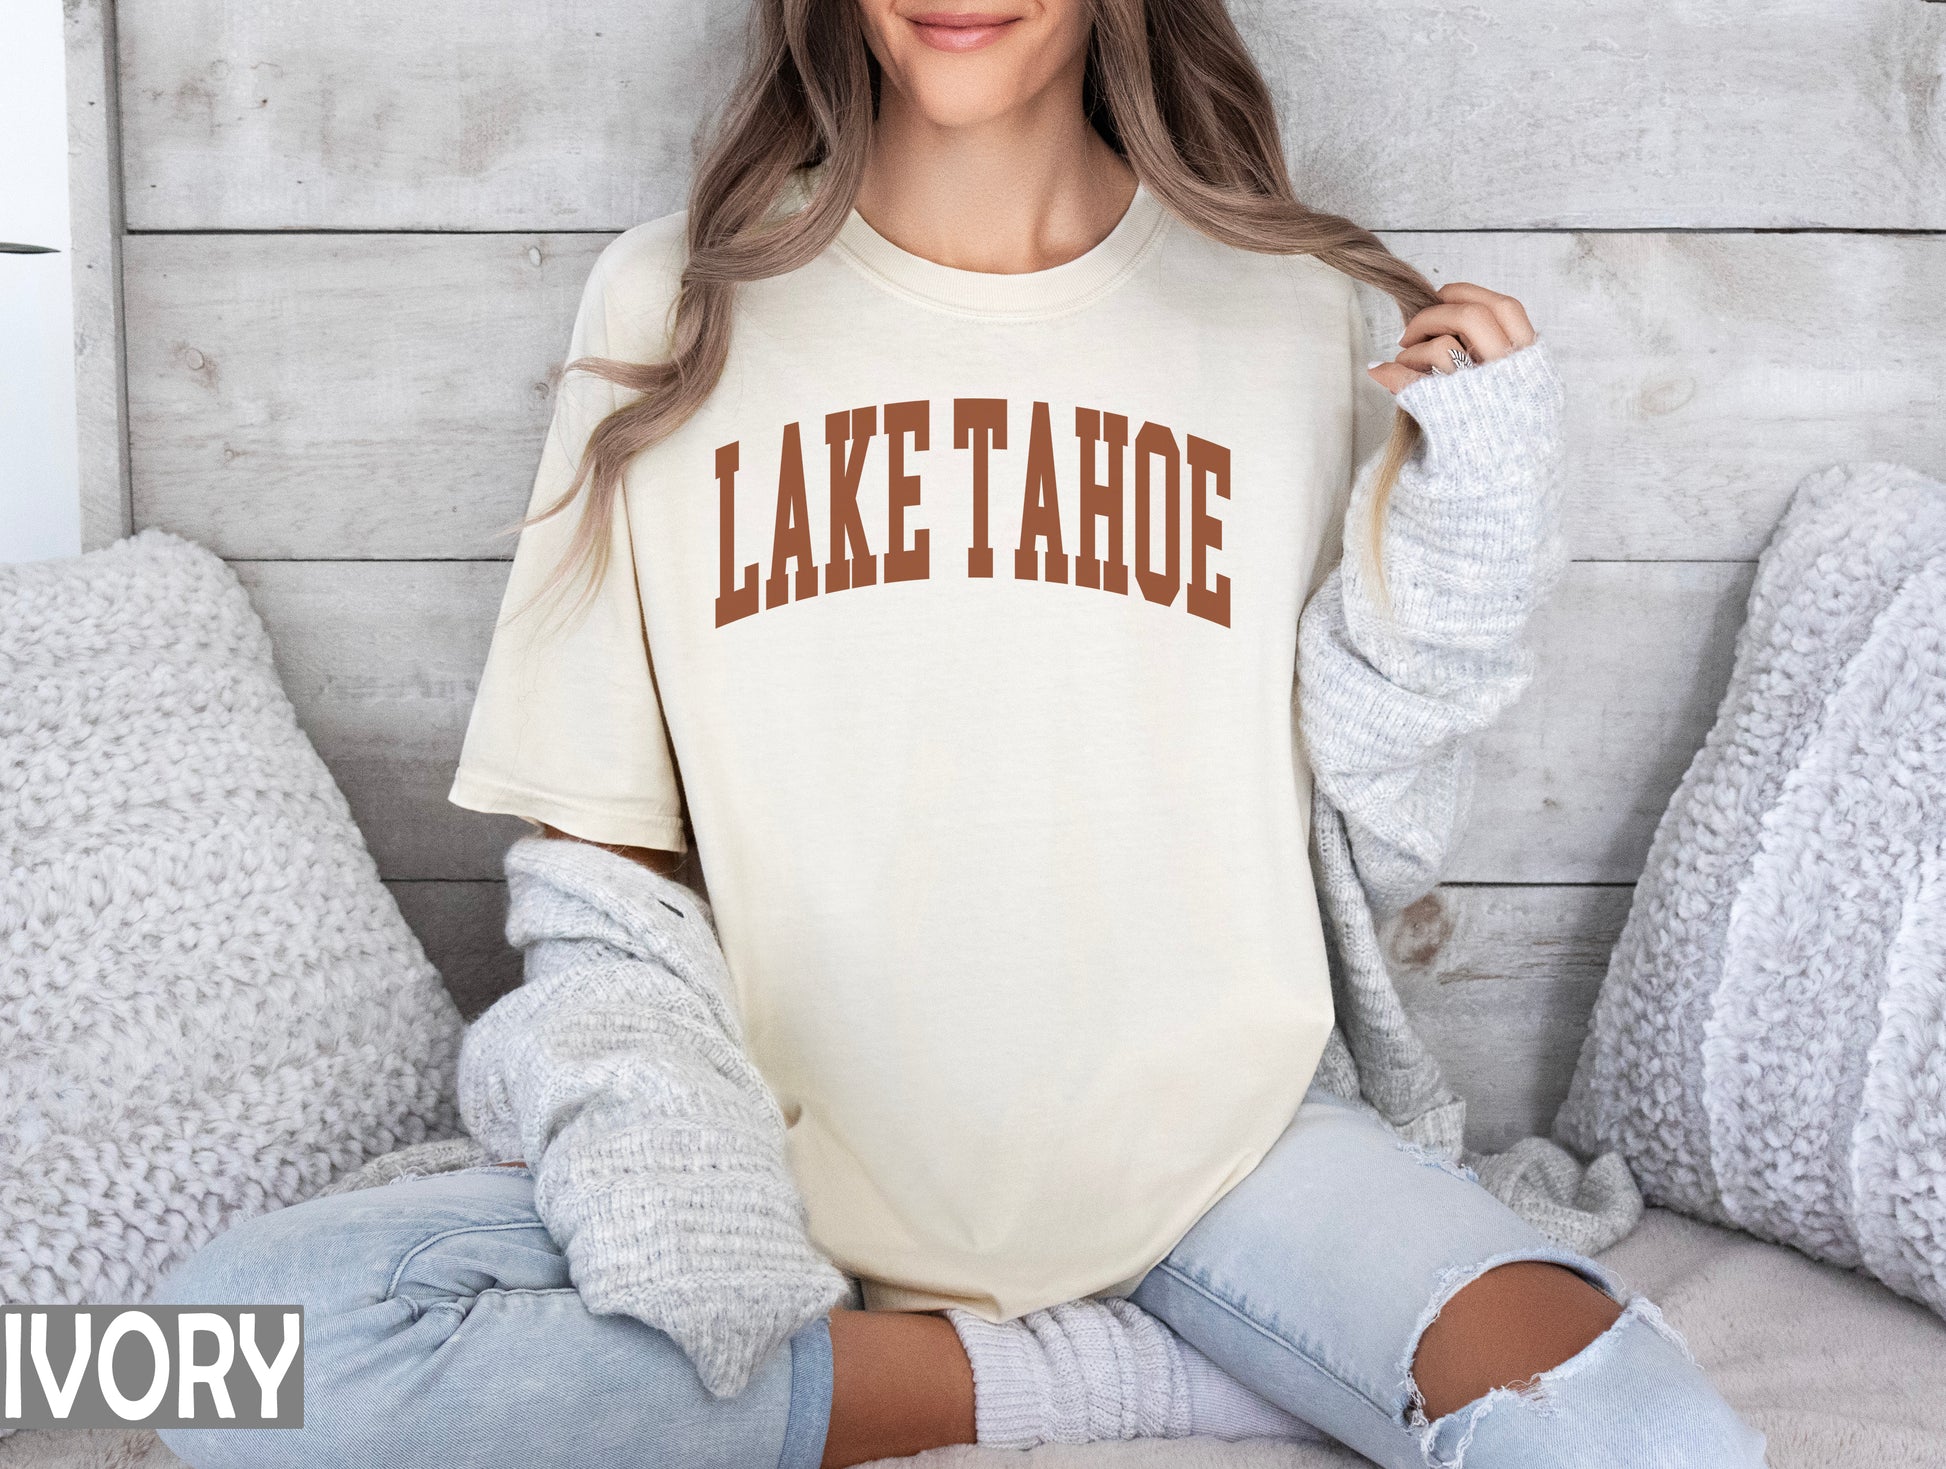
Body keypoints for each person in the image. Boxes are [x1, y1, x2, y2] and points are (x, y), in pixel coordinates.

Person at [155, 3, 1771, 1466]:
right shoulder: (674, 301)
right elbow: (598, 848)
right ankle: (1106, 1372)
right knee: (172, 1366)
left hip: (1224, 1164)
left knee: (1644, 1438)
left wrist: (1476, 544)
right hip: (776, 1167)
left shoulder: (1303, 310)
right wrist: (663, 1170)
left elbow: (1376, 792)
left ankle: (1096, 1343)